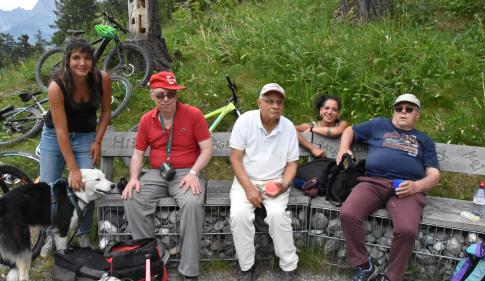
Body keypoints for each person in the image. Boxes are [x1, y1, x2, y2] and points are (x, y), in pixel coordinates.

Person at [336, 93, 440, 281]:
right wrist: (344, 148)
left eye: (409, 109)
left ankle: (392, 276)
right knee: (348, 213)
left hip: (407, 188)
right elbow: (349, 130)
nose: (403, 112)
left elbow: (434, 175)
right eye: (399, 108)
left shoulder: (424, 141)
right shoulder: (378, 125)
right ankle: (364, 266)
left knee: (407, 230)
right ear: (393, 111)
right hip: (373, 182)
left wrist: (416, 186)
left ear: (417, 114)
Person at [122, 71, 213, 281]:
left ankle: (189, 270)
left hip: (187, 172)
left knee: (191, 204)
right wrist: (134, 178)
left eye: (171, 94)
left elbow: (207, 149)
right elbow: (138, 153)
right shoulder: (147, 119)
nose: (166, 99)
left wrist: (194, 173)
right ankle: (150, 259)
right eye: (161, 95)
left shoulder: (193, 114)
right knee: (133, 198)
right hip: (157, 172)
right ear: (152, 96)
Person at [39, 38, 112, 256]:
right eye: (76, 57)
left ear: (93, 61)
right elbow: (61, 132)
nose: (82, 63)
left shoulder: (102, 79)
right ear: (67, 60)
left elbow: (106, 111)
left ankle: (82, 234)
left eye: (87, 58)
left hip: (85, 137)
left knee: (88, 187)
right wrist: (72, 169)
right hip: (55, 136)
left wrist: (97, 141)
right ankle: (49, 236)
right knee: (49, 189)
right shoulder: (57, 86)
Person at [229, 83, 299, 281]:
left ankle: (289, 266)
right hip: (246, 179)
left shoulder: (288, 127)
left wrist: (283, 184)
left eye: (279, 102)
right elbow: (235, 158)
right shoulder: (244, 121)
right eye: (269, 101)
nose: (275, 106)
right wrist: (250, 189)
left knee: (277, 215)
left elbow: (293, 164)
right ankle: (247, 267)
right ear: (259, 103)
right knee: (239, 215)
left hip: (276, 181)